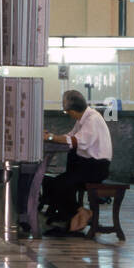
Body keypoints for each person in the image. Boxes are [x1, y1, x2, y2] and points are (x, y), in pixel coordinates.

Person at [41, 90, 113, 233]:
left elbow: (76, 141)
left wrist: (50, 138)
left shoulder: (92, 119)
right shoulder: (83, 119)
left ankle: (78, 215)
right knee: (49, 183)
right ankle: (74, 214)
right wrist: (52, 136)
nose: (67, 114)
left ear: (73, 110)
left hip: (95, 167)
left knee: (59, 184)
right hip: (85, 166)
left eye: (67, 111)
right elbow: (70, 135)